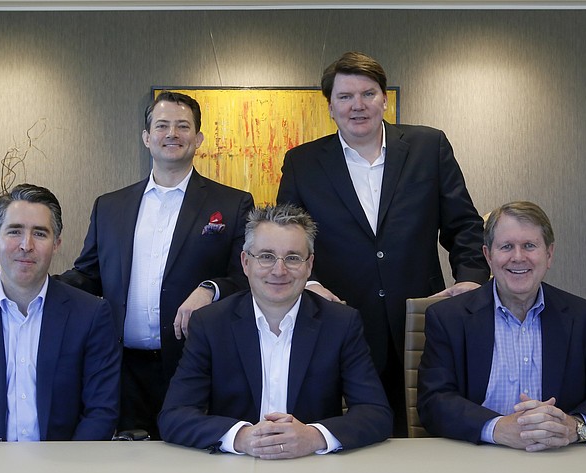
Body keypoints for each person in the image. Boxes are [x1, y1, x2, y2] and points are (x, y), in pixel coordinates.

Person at [276, 51, 489, 436]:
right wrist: (308, 284)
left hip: (422, 320)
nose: (357, 105)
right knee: (347, 432)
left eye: (368, 94)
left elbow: (464, 224)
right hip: (339, 321)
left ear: (384, 99)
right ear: (330, 106)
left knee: (427, 429)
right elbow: (287, 239)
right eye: (345, 96)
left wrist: (472, 279)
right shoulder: (303, 162)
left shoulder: (429, 146)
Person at [58, 91, 254, 439]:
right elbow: (88, 276)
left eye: (183, 126)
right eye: (162, 125)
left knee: (193, 456)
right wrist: (40, 287)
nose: (172, 133)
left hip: (197, 365)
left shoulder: (233, 203)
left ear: (199, 138)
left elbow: (247, 276)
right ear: (147, 138)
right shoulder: (110, 206)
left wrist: (212, 289)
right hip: (124, 369)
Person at [158, 204, 392, 458]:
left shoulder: (341, 323)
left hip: (312, 464)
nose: (279, 270)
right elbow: (174, 415)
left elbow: (375, 413)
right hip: (236, 464)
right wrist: (241, 437)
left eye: (292, 258)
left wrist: (314, 437)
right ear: (246, 263)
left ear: (309, 265)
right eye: (266, 256)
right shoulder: (211, 323)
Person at [417, 201, 586, 451]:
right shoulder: (448, 318)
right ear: (488, 255)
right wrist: (497, 428)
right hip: (477, 456)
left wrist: (573, 428)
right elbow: (433, 402)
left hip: (560, 457)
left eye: (529, 245)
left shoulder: (583, 317)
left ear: (549, 254)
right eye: (506, 246)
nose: (518, 257)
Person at [0, 184, 121, 441]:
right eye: (14, 231)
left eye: (40, 234)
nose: (26, 245)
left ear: (57, 244)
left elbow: (101, 413)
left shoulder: (91, 315)